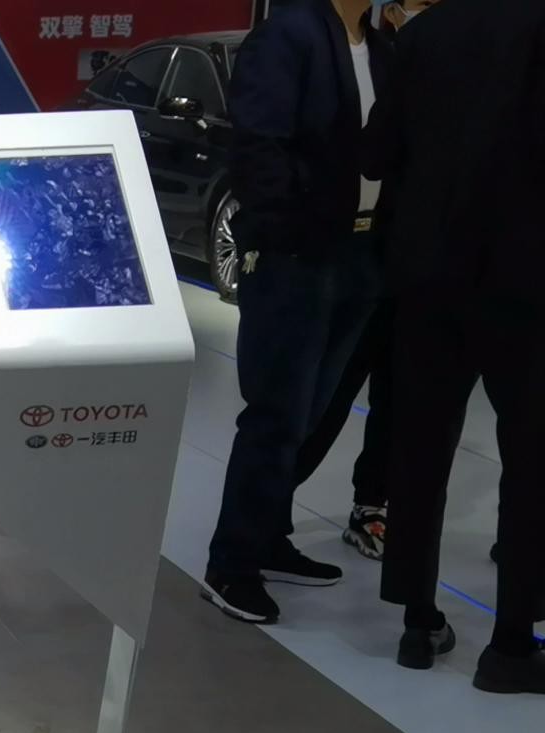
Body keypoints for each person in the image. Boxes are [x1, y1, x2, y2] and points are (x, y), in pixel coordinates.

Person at [365, 0, 545, 691]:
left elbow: (376, 153)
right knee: (529, 462)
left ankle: (418, 622)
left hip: (427, 278)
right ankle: (511, 645)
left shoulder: (423, 34)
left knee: (419, 448)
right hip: (525, 285)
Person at [200, 0, 390, 624]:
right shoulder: (289, 34)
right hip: (298, 257)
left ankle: (267, 537)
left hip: (360, 253)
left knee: (317, 409)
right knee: (277, 413)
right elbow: (258, 144)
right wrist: (287, 234)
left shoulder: (378, 45)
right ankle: (231, 564)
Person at [293, 0, 445, 563]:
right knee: (328, 390)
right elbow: (372, 152)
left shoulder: (408, 54)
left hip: (418, 261)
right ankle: (268, 507)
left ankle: (371, 505)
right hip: (365, 250)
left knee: (398, 396)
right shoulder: (384, 53)